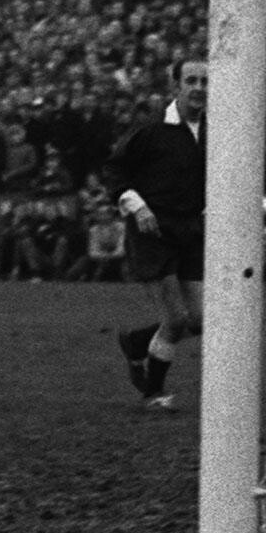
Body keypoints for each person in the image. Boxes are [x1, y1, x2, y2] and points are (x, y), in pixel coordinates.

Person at [105, 58, 207, 410]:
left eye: (205, 82)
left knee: (200, 320)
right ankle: (153, 392)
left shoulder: (217, 131)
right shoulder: (151, 130)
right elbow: (116, 171)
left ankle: (136, 344)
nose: (198, 88)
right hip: (152, 230)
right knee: (176, 318)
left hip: (191, 230)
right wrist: (138, 207)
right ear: (176, 84)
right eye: (191, 80)